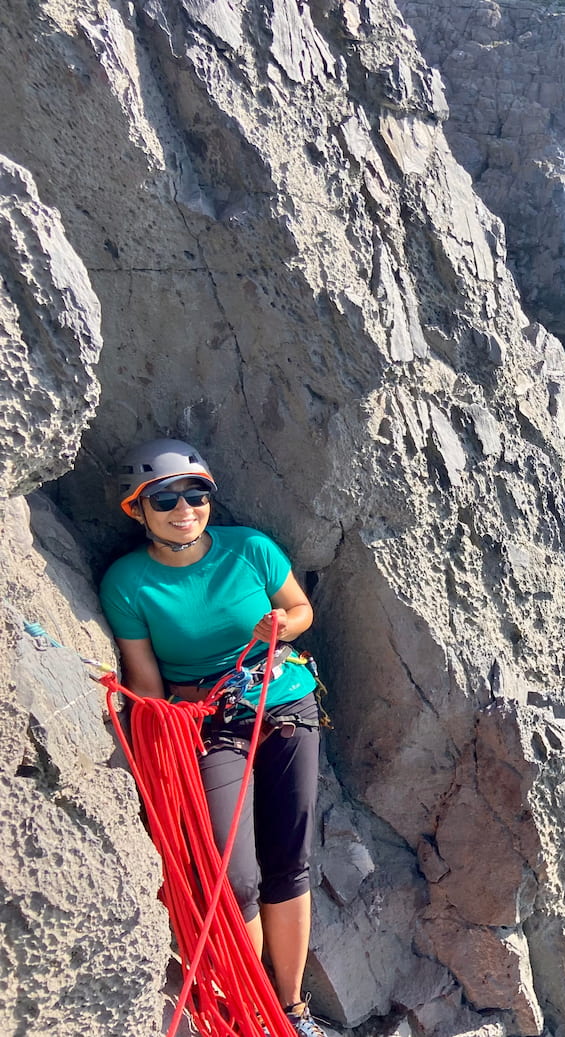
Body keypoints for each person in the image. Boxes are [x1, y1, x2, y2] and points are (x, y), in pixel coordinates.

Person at [99, 438, 327, 1037]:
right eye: (166, 498)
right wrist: (161, 727)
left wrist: (283, 623)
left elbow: (300, 611)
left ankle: (292, 1007)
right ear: (137, 509)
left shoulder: (248, 548)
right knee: (235, 877)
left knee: (290, 861)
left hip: (284, 704)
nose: (184, 508)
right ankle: (251, 1006)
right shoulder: (128, 584)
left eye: (195, 495)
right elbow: (146, 682)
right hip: (211, 726)